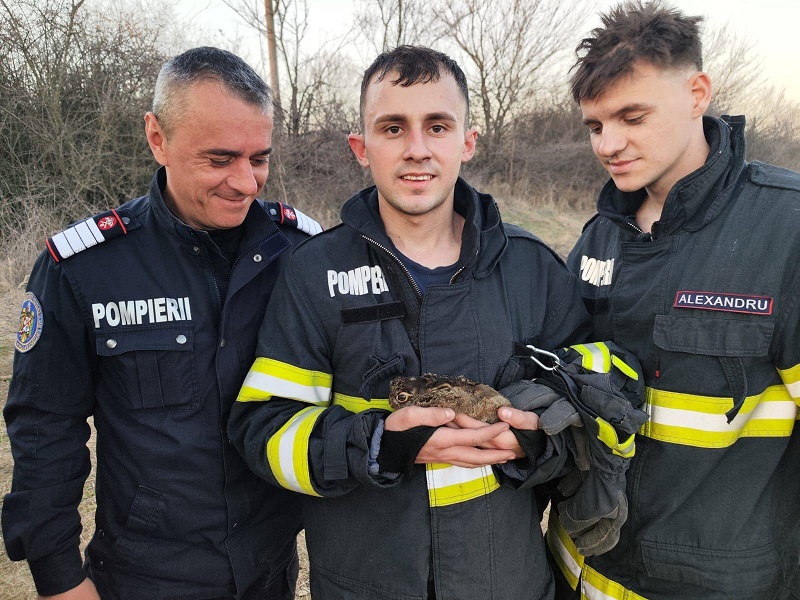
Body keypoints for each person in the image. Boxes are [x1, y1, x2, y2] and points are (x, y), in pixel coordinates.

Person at [228, 45, 593, 600]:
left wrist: (535, 442)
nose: (417, 150)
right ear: (361, 147)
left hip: (506, 584)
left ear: (468, 142)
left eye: (438, 126)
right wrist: (375, 444)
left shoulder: (532, 268)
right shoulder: (312, 273)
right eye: (393, 128)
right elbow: (263, 430)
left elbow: (588, 413)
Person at [3, 47, 321, 600]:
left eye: (260, 158)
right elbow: (44, 426)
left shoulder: (300, 256)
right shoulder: (85, 268)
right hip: (144, 578)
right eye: (220, 160)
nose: (246, 183)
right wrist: (59, 579)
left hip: (270, 573)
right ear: (157, 137)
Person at [547, 3, 800, 599]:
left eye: (632, 116)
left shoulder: (785, 229)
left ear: (697, 93)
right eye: (594, 126)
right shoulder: (597, 237)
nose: (609, 144)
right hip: (581, 573)